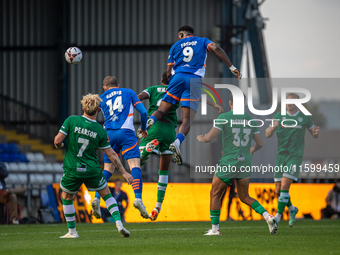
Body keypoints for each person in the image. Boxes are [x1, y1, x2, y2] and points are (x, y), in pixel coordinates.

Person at [138, 25, 241, 166]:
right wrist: (231, 67)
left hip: (177, 78)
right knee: (187, 119)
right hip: (194, 80)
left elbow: (169, 72)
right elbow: (216, 48)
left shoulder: (175, 46)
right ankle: (177, 142)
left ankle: (151, 121)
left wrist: (172, 86)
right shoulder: (203, 41)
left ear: (181, 34)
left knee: (161, 110)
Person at [137, 70, 224, 221]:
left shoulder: (152, 89)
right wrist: (214, 104)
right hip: (170, 131)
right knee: (163, 171)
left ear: (161, 79)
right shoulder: (177, 90)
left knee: (137, 161)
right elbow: (196, 98)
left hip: (155, 127)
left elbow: (139, 98)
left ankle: (146, 151)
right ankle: (158, 206)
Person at [54, 93, 133, 238]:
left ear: (83, 107)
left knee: (67, 196)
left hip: (73, 168)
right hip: (92, 170)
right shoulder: (100, 130)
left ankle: (72, 232)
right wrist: (124, 173)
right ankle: (119, 224)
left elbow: (58, 141)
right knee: (107, 195)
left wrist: (59, 145)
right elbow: (111, 154)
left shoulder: (71, 120)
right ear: (98, 110)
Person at [197, 93, 277, 235]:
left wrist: (201, 138)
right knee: (244, 196)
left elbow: (209, 138)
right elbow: (260, 143)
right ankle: (268, 216)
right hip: (245, 163)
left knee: (215, 194)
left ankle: (215, 230)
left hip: (229, 162)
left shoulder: (224, 118)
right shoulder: (251, 120)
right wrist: (252, 150)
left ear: (230, 102)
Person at [91, 76, 149, 220]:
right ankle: (138, 199)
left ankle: (97, 199)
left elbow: (91, 116)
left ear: (104, 88)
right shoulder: (128, 92)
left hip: (109, 134)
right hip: (126, 132)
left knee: (108, 170)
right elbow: (143, 112)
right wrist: (143, 128)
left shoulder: (102, 97)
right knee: (134, 165)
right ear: (118, 85)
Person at [265, 93, 319, 227]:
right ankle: (292, 209)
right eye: (287, 101)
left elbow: (314, 133)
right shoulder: (278, 116)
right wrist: (272, 127)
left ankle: (277, 218)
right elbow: (267, 134)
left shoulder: (304, 117)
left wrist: (315, 133)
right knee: (278, 191)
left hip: (295, 156)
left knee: (284, 186)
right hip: (280, 156)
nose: (289, 104)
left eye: (292, 101)